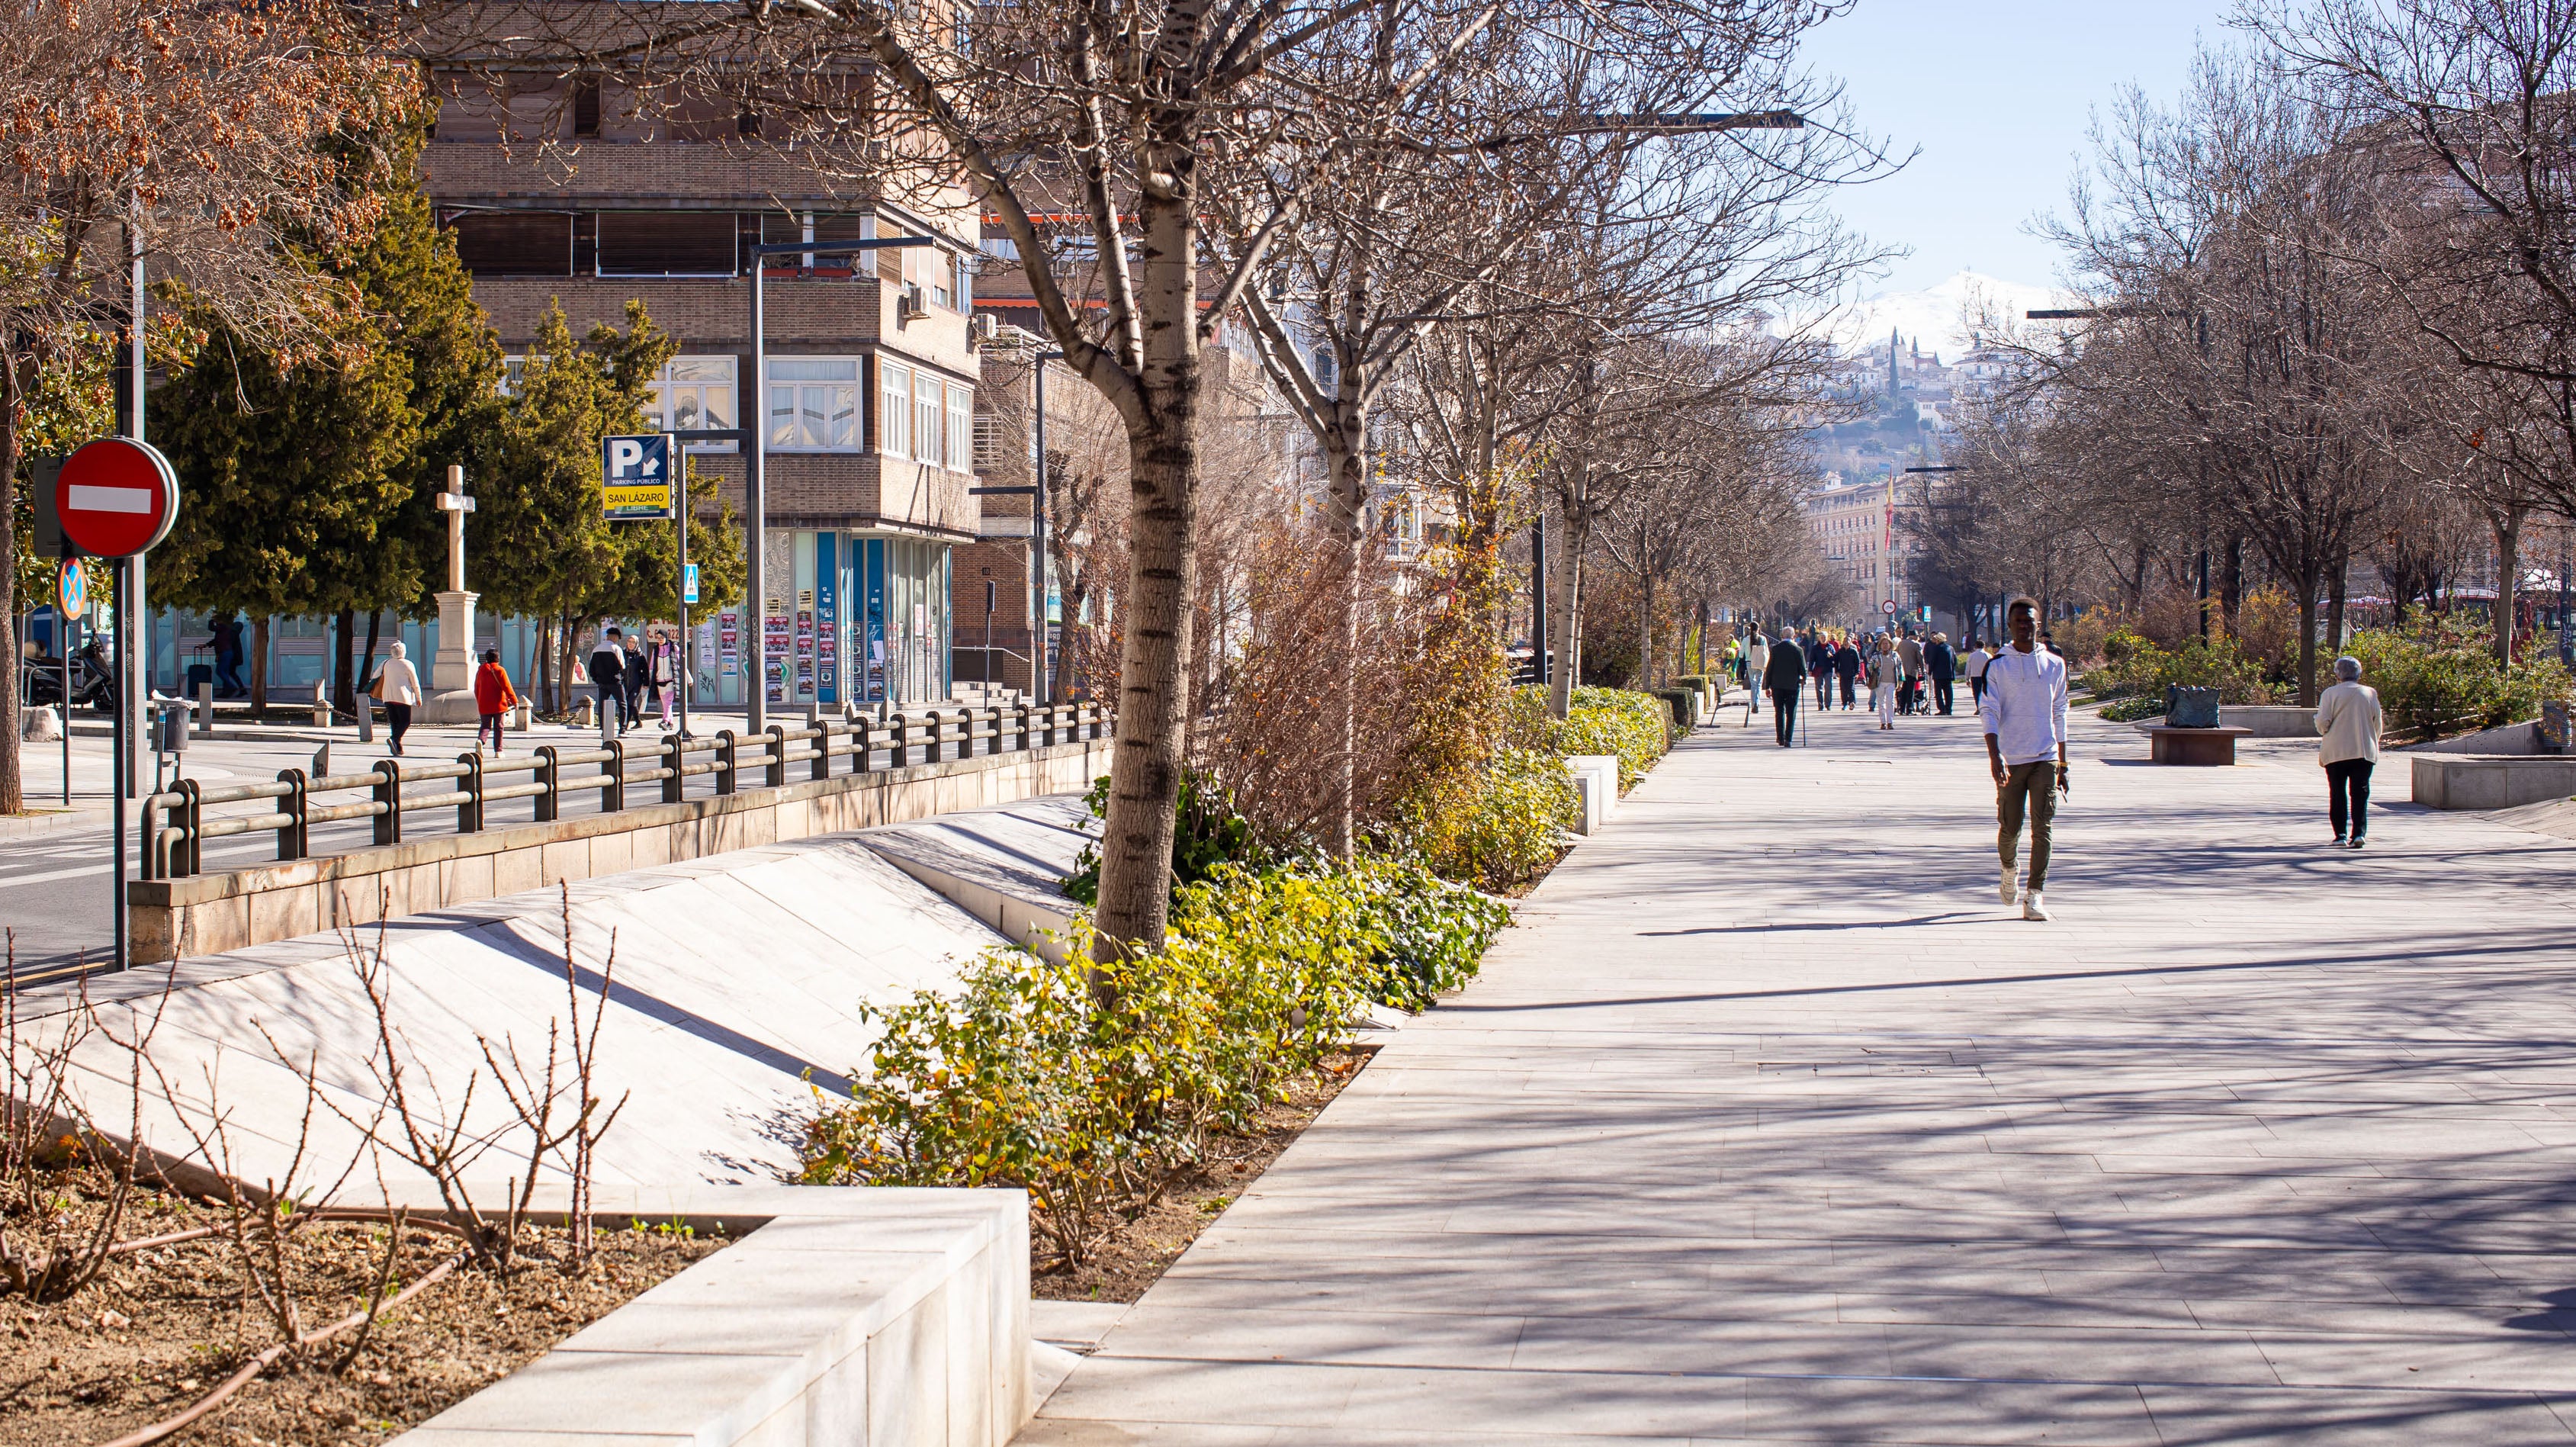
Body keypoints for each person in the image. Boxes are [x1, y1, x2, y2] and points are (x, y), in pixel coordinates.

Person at [1981, 596, 2070, 921]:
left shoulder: (2054, 665)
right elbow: (1989, 712)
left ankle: (2035, 895)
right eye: (2018, 621)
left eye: (2030, 621)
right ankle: (2009, 867)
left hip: (2045, 756)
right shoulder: (1998, 665)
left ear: (2038, 624)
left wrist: (2063, 761)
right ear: (2010, 625)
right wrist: (1996, 756)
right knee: (2010, 828)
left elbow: (2060, 710)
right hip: (2011, 758)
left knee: (2042, 827)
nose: (2024, 626)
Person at [2315, 654, 2383, 847]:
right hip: (2363, 750)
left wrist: (2321, 729)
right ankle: (2359, 834)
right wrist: (2373, 742)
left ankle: (2340, 835)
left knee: (2338, 793)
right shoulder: (2370, 693)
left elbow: (2323, 722)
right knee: (2360, 793)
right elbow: (2377, 723)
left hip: (2336, 751)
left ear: (2338, 673)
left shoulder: (2330, 693)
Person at [372, 640, 422, 757]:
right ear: (404, 652)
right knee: (405, 721)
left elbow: (375, 676)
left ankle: (398, 747)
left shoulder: (386, 663)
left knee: (394, 722)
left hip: (388, 696)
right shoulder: (408, 664)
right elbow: (415, 683)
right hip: (402, 697)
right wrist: (419, 697)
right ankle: (394, 739)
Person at [1762, 629, 1806, 747]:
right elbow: (1803, 669)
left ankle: (1780, 737)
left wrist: (1767, 686)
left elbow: (1770, 668)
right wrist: (1803, 680)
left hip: (1777, 685)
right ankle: (1788, 739)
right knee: (1791, 713)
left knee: (1779, 711)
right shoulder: (1798, 650)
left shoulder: (1776, 649)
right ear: (1794, 636)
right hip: (1792, 685)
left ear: (1782, 636)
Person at [474, 648, 517, 756]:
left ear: (486, 658)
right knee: (499, 727)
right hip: (499, 704)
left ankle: (481, 741)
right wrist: (514, 701)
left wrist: (479, 700)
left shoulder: (481, 671)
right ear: (498, 658)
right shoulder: (500, 670)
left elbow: (476, 688)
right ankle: (498, 751)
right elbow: (507, 687)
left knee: (485, 726)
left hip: (484, 704)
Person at [588, 626, 629, 738]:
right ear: (615, 637)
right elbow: (622, 666)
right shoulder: (616, 649)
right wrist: (622, 678)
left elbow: (591, 668)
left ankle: (603, 729)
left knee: (602, 706)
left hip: (602, 682)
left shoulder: (596, 649)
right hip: (615, 682)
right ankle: (622, 729)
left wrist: (597, 679)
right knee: (623, 704)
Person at [649, 626, 681, 728]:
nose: (660, 640)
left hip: (671, 679)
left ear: (666, 638)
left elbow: (680, 664)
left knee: (668, 700)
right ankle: (670, 723)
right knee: (665, 702)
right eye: (658, 638)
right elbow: (652, 664)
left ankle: (665, 720)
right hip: (659, 679)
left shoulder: (673, 648)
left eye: (662, 638)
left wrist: (689, 679)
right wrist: (649, 679)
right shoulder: (656, 649)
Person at [210, 611, 246, 699]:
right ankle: (239, 689)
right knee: (230, 672)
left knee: (225, 671)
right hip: (231, 654)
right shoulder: (230, 629)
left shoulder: (228, 629)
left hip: (230, 654)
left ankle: (229, 690)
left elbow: (219, 641)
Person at [1870, 635, 1901, 730]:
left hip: (1891, 682)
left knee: (1890, 702)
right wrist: (1875, 665)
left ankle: (1890, 722)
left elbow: (1900, 668)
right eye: (1883, 644)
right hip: (1880, 682)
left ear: (1890, 645)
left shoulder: (1895, 655)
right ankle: (1883, 722)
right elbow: (1869, 666)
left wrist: (1901, 681)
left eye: (1887, 644)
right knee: (1881, 702)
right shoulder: (1876, 655)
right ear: (1880, 645)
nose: (1885, 646)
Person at [1925, 632, 1958, 715]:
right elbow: (1955, 660)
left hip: (1938, 674)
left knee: (1938, 693)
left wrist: (1930, 671)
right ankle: (1948, 709)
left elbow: (1932, 661)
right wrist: (1952, 669)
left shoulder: (1936, 648)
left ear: (1938, 640)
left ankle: (1942, 709)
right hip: (1948, 674)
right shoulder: (1950, 648)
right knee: (1949, 692)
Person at [1896, 630, 1925, 715]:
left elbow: (1897, 654)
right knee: (1911, 690)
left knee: (1903, 690)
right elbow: (1920, 658)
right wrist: (1923, 670)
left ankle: (1902, 709)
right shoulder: (1916, 644)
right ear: (1914, 636)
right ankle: (1910, 709)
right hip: (1912, 670)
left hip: (1902, 670)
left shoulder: (1901, 643)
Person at [1963, 636, 1993, 709]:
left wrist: (1967, 679)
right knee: (1985, 693)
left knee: (1976, 693)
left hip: (1974, 676)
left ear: (1975, 646)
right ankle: (1986, 707)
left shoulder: (1971, 656)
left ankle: (1979, 707)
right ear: (1984, 646)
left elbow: (1968, 668)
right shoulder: (1988, 655)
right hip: (1985, 677)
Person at [1834, 635, 1861, 709]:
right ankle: (1844, 703)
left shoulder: (1853, 651)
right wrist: (1837, 671)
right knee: (1843, 689)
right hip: (1842, 673)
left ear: (1850, 642)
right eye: (1845, 641)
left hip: (1851, 673)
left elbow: (1857, 662)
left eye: (1847, 641)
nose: (1846, 643)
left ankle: (1852, 702)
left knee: (1851, 688)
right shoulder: (1840, 652)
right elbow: (1836, 661)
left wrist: (1857, 673)